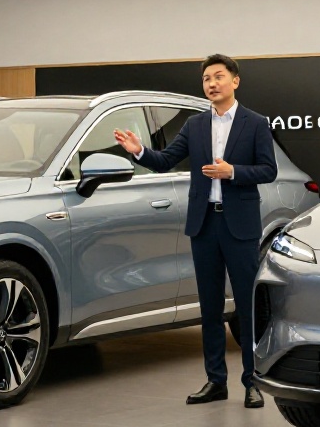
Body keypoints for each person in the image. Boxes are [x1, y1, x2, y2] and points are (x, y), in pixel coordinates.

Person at [114, 54, 277, 407]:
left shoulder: (256, 123)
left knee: (247, 307)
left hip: (240, 226)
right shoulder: (194, 125)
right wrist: (138, 150)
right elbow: (164, 161)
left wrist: (232, 172)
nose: (211, 83)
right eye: (206, 79)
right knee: (210, 308)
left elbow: (268, 170)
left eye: (218, 76)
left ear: (235, 81)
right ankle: (216, 381)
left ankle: (253, 381)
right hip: (205, 225)